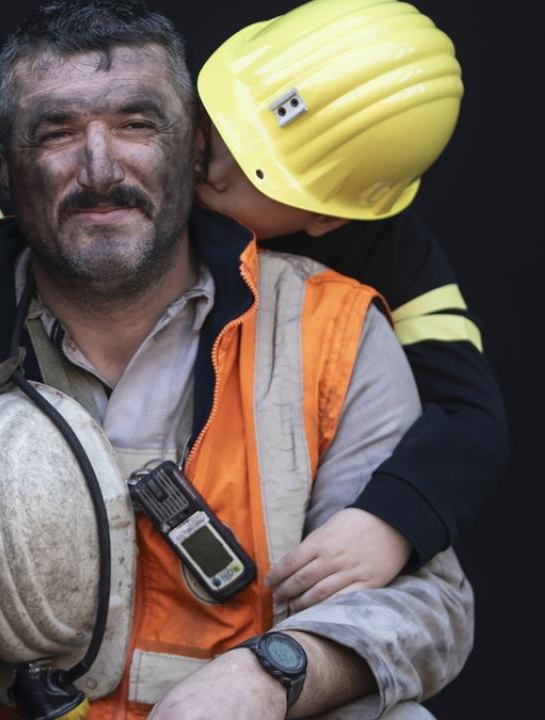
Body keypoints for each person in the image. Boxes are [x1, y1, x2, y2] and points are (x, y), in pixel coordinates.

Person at [0, 1, 472, 718]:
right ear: (4, 167)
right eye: (57, 132)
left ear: (192, 145)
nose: (100, 168)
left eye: (137, 125)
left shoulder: (331, 328)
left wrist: (276, 676)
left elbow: (428, 605)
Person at [193, 0, 509, 611]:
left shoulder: (389, 250)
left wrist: (388, 521)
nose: (208, 165)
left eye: (252, 171)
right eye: (216, 127)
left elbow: (472, 414)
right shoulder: (150, 132)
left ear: (325, 216)